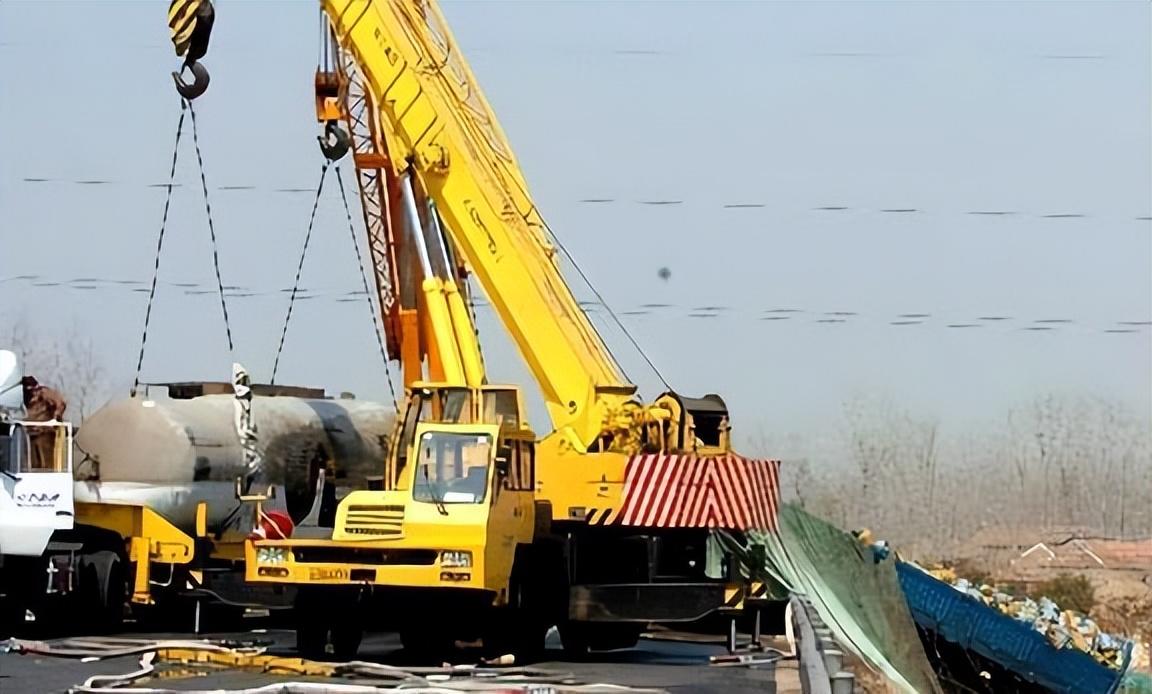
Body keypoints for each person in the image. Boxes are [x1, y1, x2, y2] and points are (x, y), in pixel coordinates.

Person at [20, 376, 67, 471]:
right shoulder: (22, 397)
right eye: (28, 391)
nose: (33, 393)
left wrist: (55, 417)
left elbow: (61, 403)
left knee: (46, 462)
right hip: (30, 434)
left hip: (45, 433)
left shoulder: (45, 393)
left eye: (33, 390)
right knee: (32, 463)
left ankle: (48, 481)